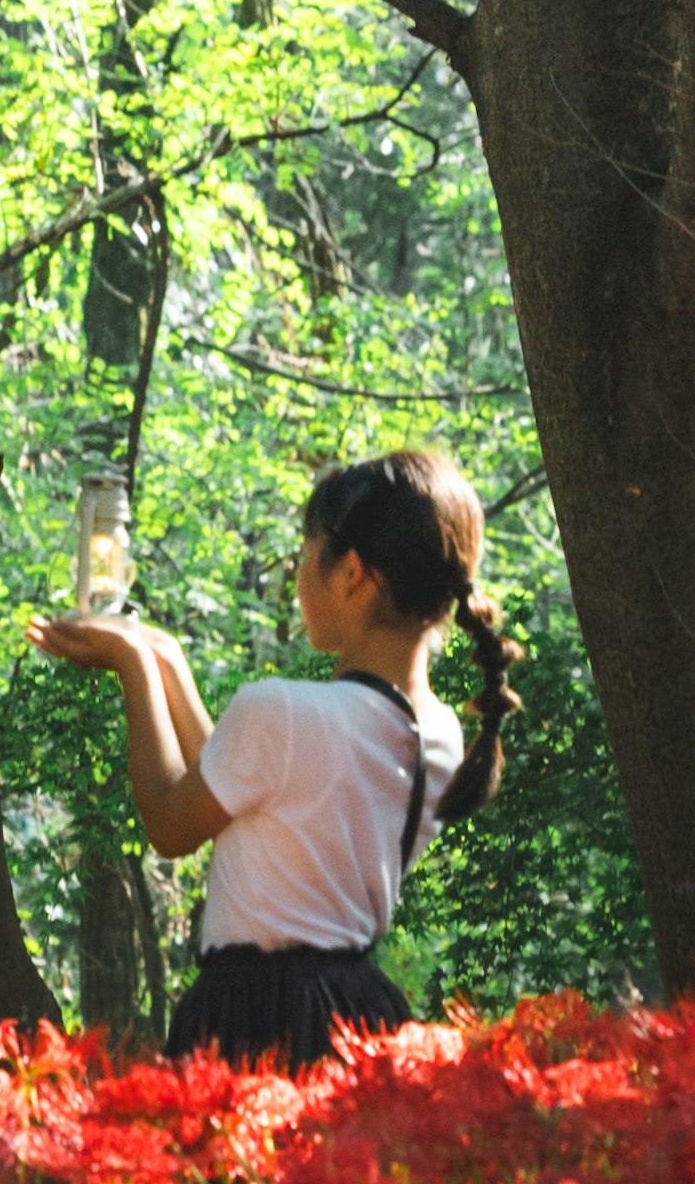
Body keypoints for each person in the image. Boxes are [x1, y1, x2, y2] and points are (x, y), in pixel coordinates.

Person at [35, 444, 517, 1064]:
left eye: (305, 557)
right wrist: (167, 658)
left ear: (352, 574)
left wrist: (132, 664)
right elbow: (259, 799)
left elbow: (170, 822)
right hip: (361, 1015)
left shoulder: (284, 714)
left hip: (256, 1014)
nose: (296, 578)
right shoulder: (445, 735)